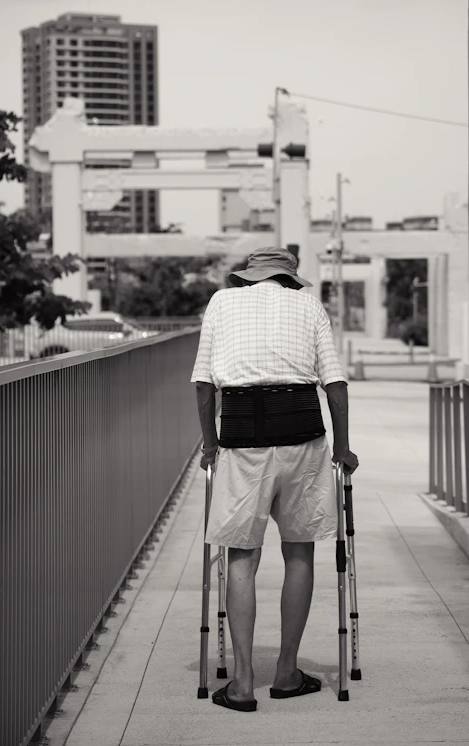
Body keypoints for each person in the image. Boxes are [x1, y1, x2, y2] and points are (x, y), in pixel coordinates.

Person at [191, 246, 358, 712]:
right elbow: (335, 384)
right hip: (302, 435)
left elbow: (204, 385)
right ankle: (286, 673)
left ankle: (243, 683)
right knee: (298, 551)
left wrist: (210, 446)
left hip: (243, 438)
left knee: (242, 556)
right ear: (289, 278)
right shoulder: (309, 305)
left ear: (248, 276)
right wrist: (343, 448)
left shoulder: (221, 302)